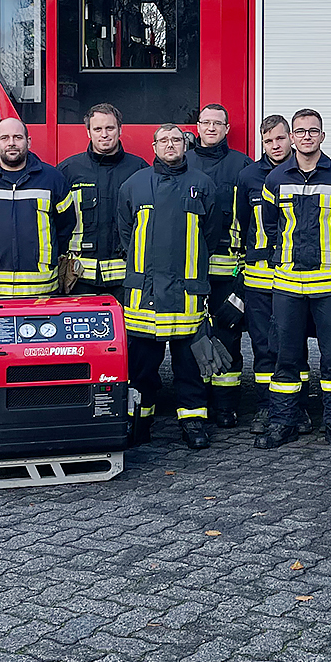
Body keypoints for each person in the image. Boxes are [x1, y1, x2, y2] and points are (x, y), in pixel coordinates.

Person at [258, 109, 331, 449]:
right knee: (285, 357)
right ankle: (283, 422)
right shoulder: (275, 179)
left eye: (313, 131)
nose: (306, 136)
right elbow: (271, 225)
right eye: (300, 131)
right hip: (287, 284)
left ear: (322, 136)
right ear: (292, 137)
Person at [118, 123, 226, 448]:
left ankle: (193, 423)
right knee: (141, 368)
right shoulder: (134, 185)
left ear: (185, 145)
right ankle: (139, 421)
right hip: (144, 297)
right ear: (153, 147)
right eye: (163, 140)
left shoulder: (202, 185)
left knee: (190, 367)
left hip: (186, 296)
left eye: (176, 140)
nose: (170, 145)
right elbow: (125, 234)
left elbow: (210, 235)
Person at [0, 118, 76, 312]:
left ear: (28, 141)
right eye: (5, 138)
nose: (11, 143)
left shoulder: (53, 179)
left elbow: (66, 226)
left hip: (40, 291)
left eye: (18, 137)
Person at [191, 102, 253, 427]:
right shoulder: (183, 163)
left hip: (228, 272)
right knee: (193, 338)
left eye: (218, 123)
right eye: (206, 122)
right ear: (197, 127)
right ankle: (197, 404)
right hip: (191, 273)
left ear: (227, 129)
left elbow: (253, 224)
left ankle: (226, 406)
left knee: (228, 337)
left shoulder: (243, 166)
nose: (211, 128)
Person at [236, 115, 296, 433]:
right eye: (268, 140)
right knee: (262, 345)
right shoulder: (248, 176)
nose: (275, 145)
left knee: (292, 345)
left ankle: (295, 408)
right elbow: (242, 221)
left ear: (291, 138)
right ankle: (265, 407)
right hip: (258, 277)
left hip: (294, 276)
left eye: (280, 138)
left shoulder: (304, 172)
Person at [57, 103, 147, 300]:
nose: (104, 134)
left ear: (120, 130)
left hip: (127, 279)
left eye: (110, 128)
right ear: (88, 132)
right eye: (97, 129)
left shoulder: (140, 170)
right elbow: (56, 224)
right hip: (79, 279)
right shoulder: (68, 171)